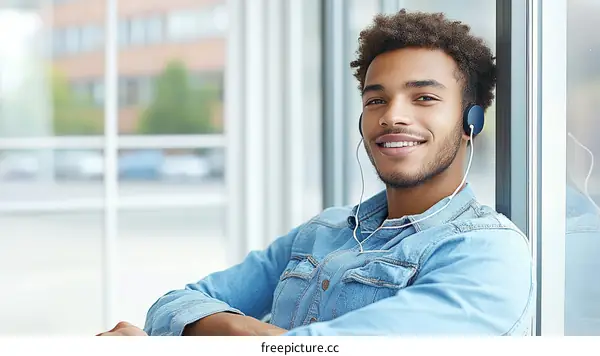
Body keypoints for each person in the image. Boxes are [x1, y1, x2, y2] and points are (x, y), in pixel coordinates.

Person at [97, 9, 534, 337]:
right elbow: (172, 304)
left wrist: (215, 333)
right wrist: (243, 332)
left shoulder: (488, 252)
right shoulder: (323, 231)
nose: (392, 117)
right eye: (376, 100)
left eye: (423, 98)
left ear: (470, 121)